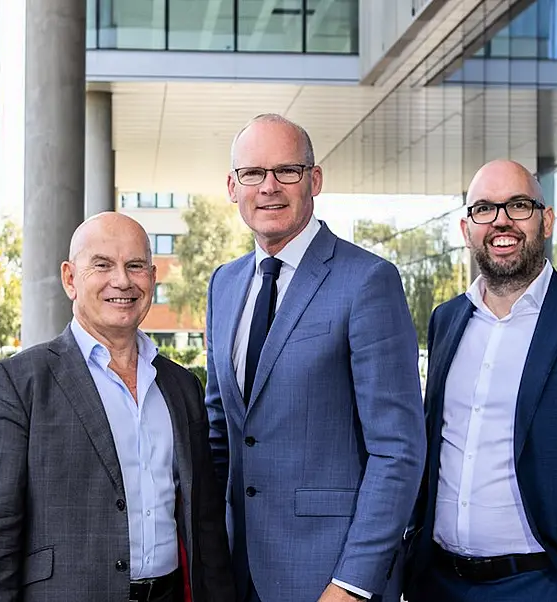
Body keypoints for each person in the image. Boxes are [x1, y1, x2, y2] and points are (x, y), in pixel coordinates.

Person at [404, 160, 557, 602]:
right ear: (467, 228)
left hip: (547, 586)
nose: (501, 220)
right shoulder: (446, 320)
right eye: (484, 209)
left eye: (518, 205)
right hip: (440, 584)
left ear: (547, 220)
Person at [205, 114, 426, 602]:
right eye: (253, 174)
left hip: (330, 578)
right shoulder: (224, 284)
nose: (269, 187)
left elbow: (398, 450)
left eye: (287, 171)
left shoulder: (367, 281)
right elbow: (221, 429)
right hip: (237, 573)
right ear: (231, 185)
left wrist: (352, 584)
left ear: (314, 180)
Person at [0, 212, 234, 602]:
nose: (122, 280)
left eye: (135, 266)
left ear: (152, 277)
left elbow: (205, 526)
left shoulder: (181, 386)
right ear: (70, 278)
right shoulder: (19, 383)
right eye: (102, 265)